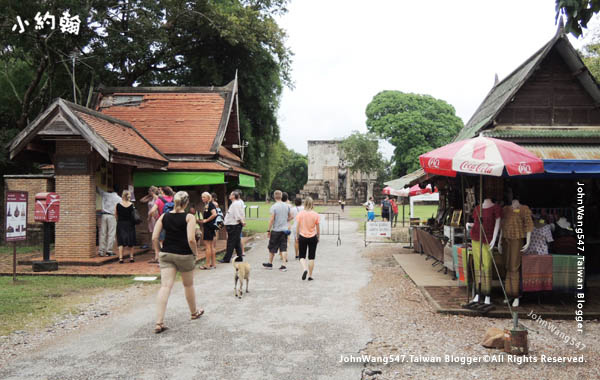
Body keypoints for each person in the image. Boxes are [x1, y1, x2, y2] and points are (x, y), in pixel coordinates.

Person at [152, 191, 203, 334]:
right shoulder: (189, 217)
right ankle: (193, 312)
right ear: (186, 203)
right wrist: (195, 252)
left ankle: (159, 322)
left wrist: (157, 251)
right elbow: (191, 239)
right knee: (188, 284)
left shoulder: (164, 216)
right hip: (184, 254)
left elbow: (155, 237)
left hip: (167, 253)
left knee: (165, 287)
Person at [263, 190, 292, 271]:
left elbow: (272, 219)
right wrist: (285, 220)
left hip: (276, 230)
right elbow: (291, 216)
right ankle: (283, 265)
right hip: (284, 230)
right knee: (283, 247)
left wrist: (268, 230)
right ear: (281, 196)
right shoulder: (287, 206)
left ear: (274, 197)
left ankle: (270, 263)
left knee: (272, 247)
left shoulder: (274, 206)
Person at [296, 196, 320, 281]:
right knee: (311, 257)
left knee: (302, 256)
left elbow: (298, 226)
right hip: (313, 236)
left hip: (302, 236)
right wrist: (318, 236)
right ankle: (310, 275)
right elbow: (317, 227)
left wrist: (297, 235)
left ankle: (304, 269)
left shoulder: (300, 214)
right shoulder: (315, 214)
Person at [220, 190, 246, 263]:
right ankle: (239, 257)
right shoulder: (237, 203)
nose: (229, 195)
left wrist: (241, 222)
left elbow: (237, 215)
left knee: (230, 242)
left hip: (233, 225)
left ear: (234, 196)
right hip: (234, 225)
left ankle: (226, 258)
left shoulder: (235, 204)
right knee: (237, 241)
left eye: (231, 194)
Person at [97, 185, 121, 257]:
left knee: (103, 233)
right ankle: (109, 250)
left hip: (104, 215)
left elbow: (98, 190)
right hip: (112, 216)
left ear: (112, 189)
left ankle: (101, 251)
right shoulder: (119, 199)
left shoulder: (106, 194)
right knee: (111, 234)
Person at [116, 190, 136, 263]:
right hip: (130, 224)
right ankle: (131, 258)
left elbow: (116, 215)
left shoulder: (118, 204)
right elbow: (134, 215)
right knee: (131, 240)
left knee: (121, 241)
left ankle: (121, 258)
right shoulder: (132, 205)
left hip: (121, 224)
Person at [198, 192, 218, 270]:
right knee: (211, 246)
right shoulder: (207, 204)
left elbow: (214, 214)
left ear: (208, 197)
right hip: (210, 227)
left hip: (209, 227)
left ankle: (207, 264)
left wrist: (206, 220)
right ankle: (213, 263)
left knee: (208, 246)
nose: (202, 198)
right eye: (202, 197)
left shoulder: (210, 204)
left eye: (204, 197)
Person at [140, 186, 160, 261]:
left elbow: (157, 205)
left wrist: (153, 195)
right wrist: (148, 195)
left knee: (156, 232)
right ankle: (153, 247)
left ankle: (156, 249)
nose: (148, 192)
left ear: (153, 191)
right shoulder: (150, 198)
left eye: (149, 191)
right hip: (150, 217)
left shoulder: (156, 198)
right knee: (150, 232)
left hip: (154, 216)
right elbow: (142, 200)